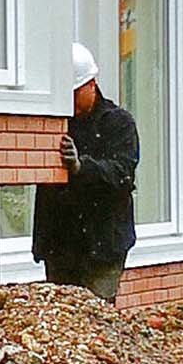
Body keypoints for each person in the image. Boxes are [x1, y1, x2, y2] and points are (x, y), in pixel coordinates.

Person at [29, 41, 140, 303]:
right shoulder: (55, 123)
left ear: (91, 84)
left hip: (102, 244)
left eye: (73, 94)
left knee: (95, 316)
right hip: (61, 244)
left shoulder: (118, 123)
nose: (68, 103)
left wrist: (82, 167)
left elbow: (122, 174)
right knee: (63, 319)